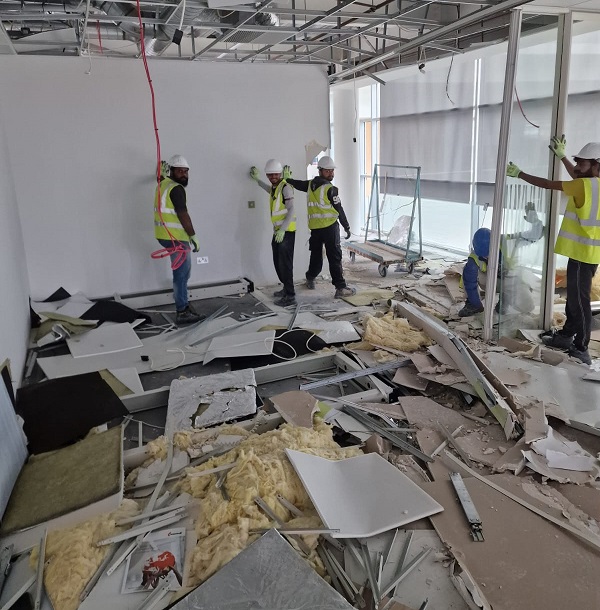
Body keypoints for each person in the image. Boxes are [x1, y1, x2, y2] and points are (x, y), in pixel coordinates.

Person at [506, 137, 600, 365]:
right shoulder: (592, 184)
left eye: (583, 163)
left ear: (597, 165)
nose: (578, 167)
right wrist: (562, 157)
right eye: (578, 162)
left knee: (580, 303)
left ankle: (581, 347)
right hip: (588, 254)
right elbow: (577, 177)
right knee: (574, 301)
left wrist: (520, 174)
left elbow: (550, 184)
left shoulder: (583, 185)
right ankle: (566, 336)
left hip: (581, 254)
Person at [285, 156, 356, 298]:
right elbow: (339, 209)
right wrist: (346, 227)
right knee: (334, 257)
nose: (331, 173)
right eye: (327, 171)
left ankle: (310, 278)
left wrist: (288, 180)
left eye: (332, 170)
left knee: (316, 257)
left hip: (316, 229)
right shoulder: (331, 189)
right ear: (320, 170)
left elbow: (298, 184)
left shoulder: (311, 185)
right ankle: (340, 288)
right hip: (329, 228)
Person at [459, 204, 544, 318]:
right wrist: (477, 304)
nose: (487, 257)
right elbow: (470, 283)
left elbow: (534, 235)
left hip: (508, 278)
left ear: (495, 244)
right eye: (484, 255)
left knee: (527, 306)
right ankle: (472, 304)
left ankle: (506, 298)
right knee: (467, 271)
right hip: (487, 279)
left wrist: (535, 222)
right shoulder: (474, 258)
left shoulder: (507, 241)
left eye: (489, 253)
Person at [154, 154, 202, 325]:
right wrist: (193, 235)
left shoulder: (163, 184)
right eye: (180, 171)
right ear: (172, 171)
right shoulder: (176, 188)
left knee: (183, 273)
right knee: (181, 275)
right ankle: (182, 311)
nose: (184, 174)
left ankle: (184, 306)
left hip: (164, 236)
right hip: (176, 238)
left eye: (186, 171)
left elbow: (159, 177)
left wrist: (160, 171)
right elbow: (182, 213)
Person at [249, 159, 297, 307]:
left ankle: (290, 295)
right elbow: (268, 190)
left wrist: (282, 230)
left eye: (275, 174)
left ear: (280, 173)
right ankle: (285, 289)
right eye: (270, 175)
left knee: (285, 264)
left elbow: (292, 210)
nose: (273, 177)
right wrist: (257, 180)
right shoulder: (275, 188)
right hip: (278, 232)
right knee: (278, 263)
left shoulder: (285, 188)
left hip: (286, 232)